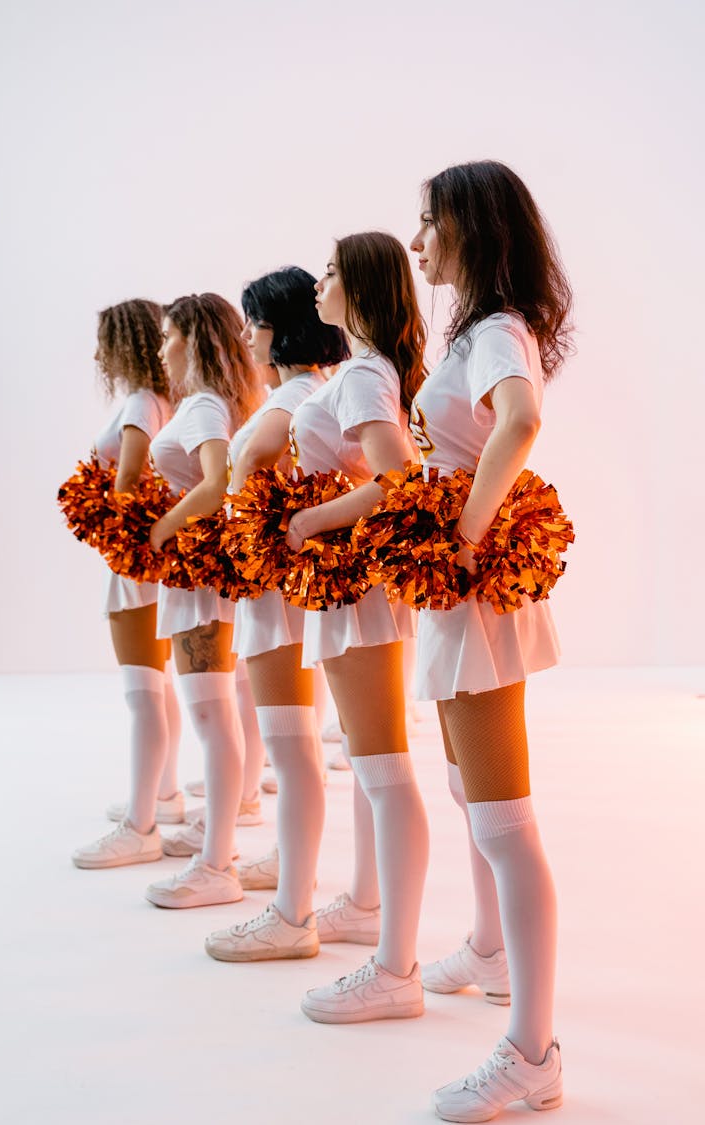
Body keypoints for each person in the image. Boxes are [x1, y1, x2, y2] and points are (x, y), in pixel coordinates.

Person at [409, 159, 572, 1121]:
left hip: (476, 596)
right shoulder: (472, 329)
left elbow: (522, 419)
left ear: (472, 227)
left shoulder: (501, 329)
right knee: (475, 797)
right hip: (452, 598)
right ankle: (489, 951)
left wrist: (466, 532)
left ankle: (533, 1051)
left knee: (505, 820)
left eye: (429, 223)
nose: (419, 240)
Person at [275, 232, 430, 1021]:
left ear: (361, 286)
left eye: (332, 271)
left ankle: (395, 966)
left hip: (354, 586)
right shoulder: (367, 369)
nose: (319, 283)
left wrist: (309, 519)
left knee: (383, 768)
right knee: (372, 761)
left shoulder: (365, 375)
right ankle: (373, 916)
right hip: (350, 588)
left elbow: (396, 480)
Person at [203, 266, 349, 961]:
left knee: (293, 755)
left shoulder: (297, 395)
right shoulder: (303, 391)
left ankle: (293, 915)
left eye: (255, 323)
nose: (248, 336)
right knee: (295, 754)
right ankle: (296, 882)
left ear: (282, 328)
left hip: (277, 600)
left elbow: (264, 458)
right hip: (277, 597)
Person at [140, 293, 262, 908]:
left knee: (213, 720)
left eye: (168, 337)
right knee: (217, 717)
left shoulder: (203, 405)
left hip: (198, 577)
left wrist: (163, 527)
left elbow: (217, 482)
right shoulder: (212, 403)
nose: (162, 350)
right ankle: (217, 847)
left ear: (194, 339)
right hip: (199, 576)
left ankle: (217, 865)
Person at [72, 299, 183, 870]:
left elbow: (130, 485)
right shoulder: (159, 399)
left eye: (104, 341)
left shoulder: (141, 403)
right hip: (146, 565)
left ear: (124, 342)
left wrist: (96, 505)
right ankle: (161, 793)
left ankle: (139, 825)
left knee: (141, 691)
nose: (98, 354)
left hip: (133, 566)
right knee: (155, 687)